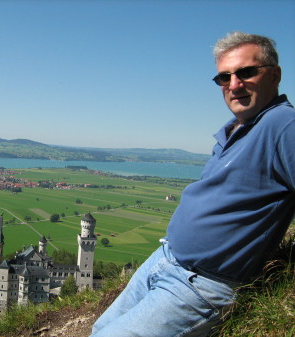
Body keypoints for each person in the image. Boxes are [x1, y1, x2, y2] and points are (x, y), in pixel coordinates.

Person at [91, 31, 295, 337]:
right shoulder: (236, 130)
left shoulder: (283, 125)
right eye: (224, 78)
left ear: (274, 75)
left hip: (202, 285)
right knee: (99, 329)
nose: (234, 84)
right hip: (165, 259)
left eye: (246, 72)